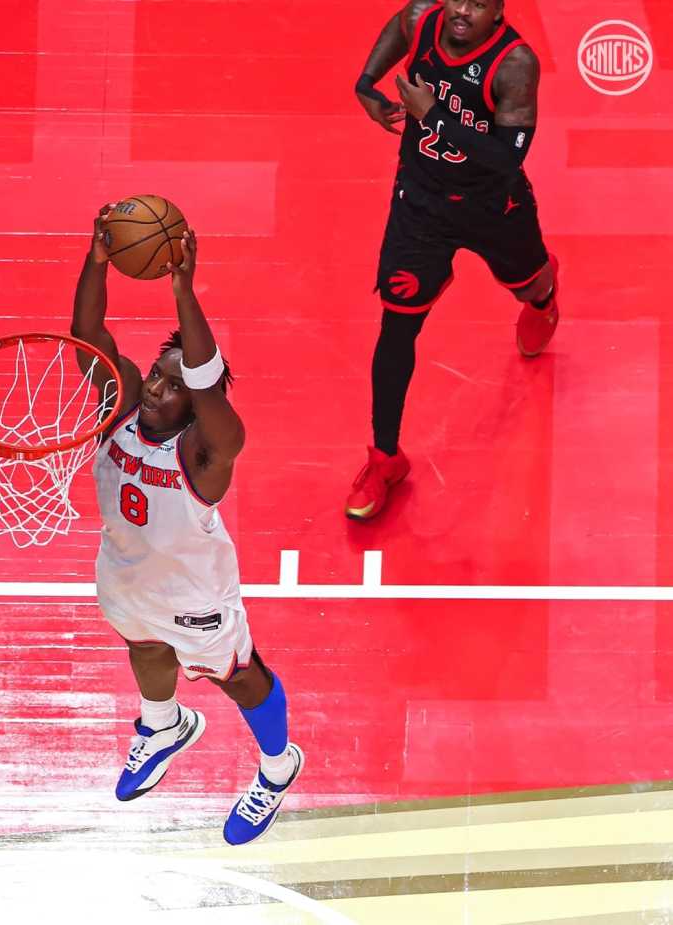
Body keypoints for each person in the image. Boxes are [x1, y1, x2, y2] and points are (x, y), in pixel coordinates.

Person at [70, 205, 303, 846]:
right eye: (155, 373)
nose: (154, 387)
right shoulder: (117, 407)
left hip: (198, 597)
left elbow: (209, 397)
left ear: (197, 401)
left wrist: (183, 291)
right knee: (142, 648)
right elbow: (86, 334)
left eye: (174, 385)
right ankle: (162, 725)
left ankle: (278, 769)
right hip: (125, 577)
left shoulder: (205, 453)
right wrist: (98, 262)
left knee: (239, 677)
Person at [346, 0, 558, 520]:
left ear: (500, 11)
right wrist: (367, 84)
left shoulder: (514, 64)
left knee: (530, 284)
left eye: (479, 4)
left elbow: (508, 160)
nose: (463, 10)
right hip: (421, 201)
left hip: (493, 205)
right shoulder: (422, 17)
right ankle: (384, 457)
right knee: (396, 329)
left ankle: (544, 298)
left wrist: (433, 116)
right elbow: (397, 29)